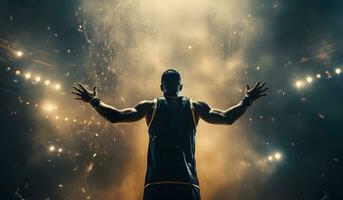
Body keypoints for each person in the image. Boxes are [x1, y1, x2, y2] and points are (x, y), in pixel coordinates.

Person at [72, 69, 268, 200]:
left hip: (158, 183)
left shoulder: (150, 107)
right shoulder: (195, 107)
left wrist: (94, 101)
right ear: (181, 87)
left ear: (161, 87)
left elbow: (115, 116)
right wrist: (246, 101)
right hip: (186, 184)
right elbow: (226, 117)